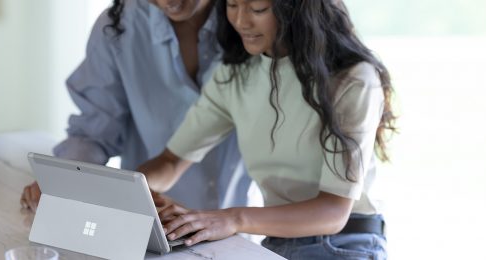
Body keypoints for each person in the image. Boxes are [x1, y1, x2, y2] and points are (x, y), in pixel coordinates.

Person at [138, 0, 397, 259]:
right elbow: (172, 161)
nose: (241, 21)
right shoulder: (235, 76)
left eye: (258, 9)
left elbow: (334, 211)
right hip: (279, 244)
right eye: (232, 5)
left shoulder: (352, 79)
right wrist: (139, 190)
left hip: (347, 243)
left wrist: (231, 218)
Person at [20, 0, 251, 212]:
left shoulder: (253, 28)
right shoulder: (118, 28)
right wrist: (65, 178)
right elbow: (94, 132)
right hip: (146, 219)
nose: (168, 2)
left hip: (237, 227)